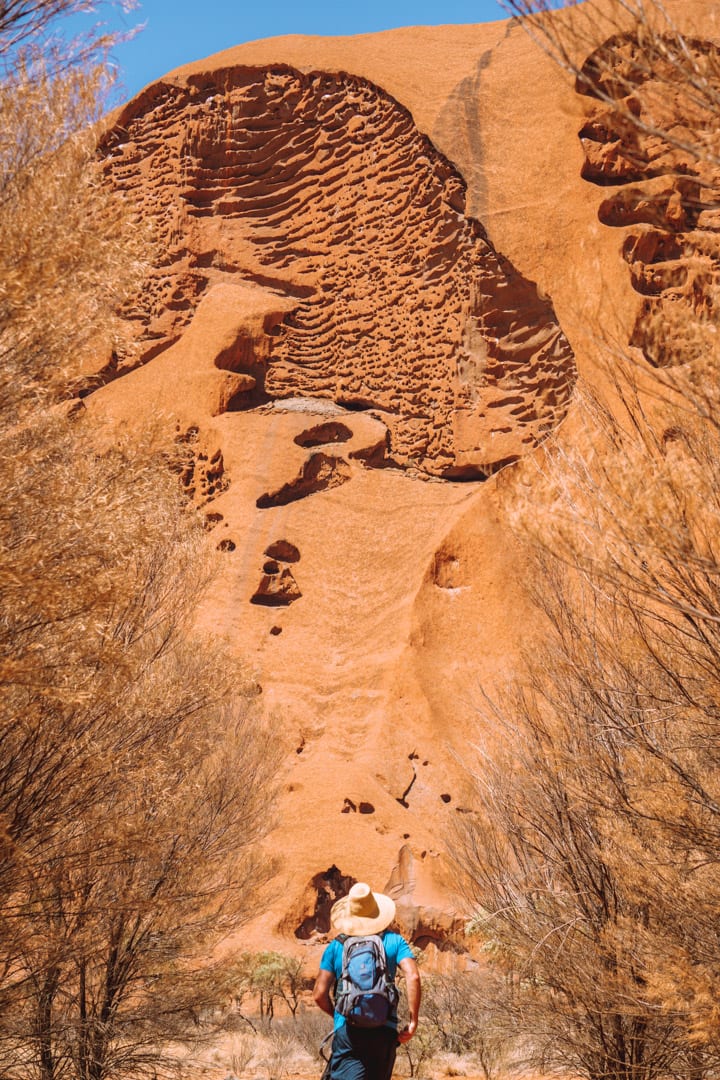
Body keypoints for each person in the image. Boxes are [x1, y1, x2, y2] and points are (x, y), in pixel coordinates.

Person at [313, 882, 421, 1080]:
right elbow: (413, 976)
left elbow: (319, 995)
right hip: (384, 1029)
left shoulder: (336, 946)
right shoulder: (394, 941)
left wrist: (339, 1014)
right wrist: (413, 1021)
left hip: (348, 1031)